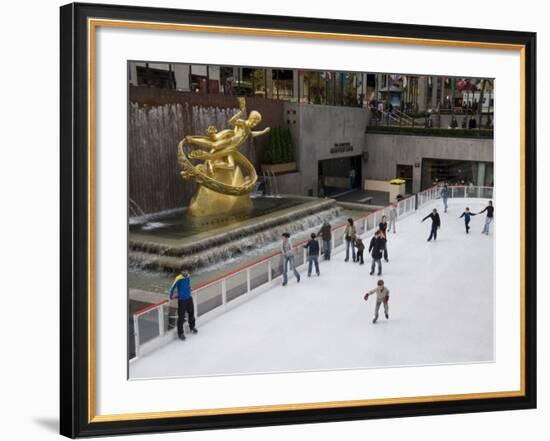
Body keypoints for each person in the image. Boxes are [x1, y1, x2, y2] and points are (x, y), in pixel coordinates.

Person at [169, 267, 198, 340]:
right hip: (182, 300)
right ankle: (180, 333)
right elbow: (172, 287)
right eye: (183, 271)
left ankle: (192, 327)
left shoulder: (188, 276)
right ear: (181, 272)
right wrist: (171, 296)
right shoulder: (178, 278)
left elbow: (188, 283)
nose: (185, 272)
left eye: (186, 271)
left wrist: (189, 288)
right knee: (181, 317)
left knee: (191, 314)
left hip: (189, 298)